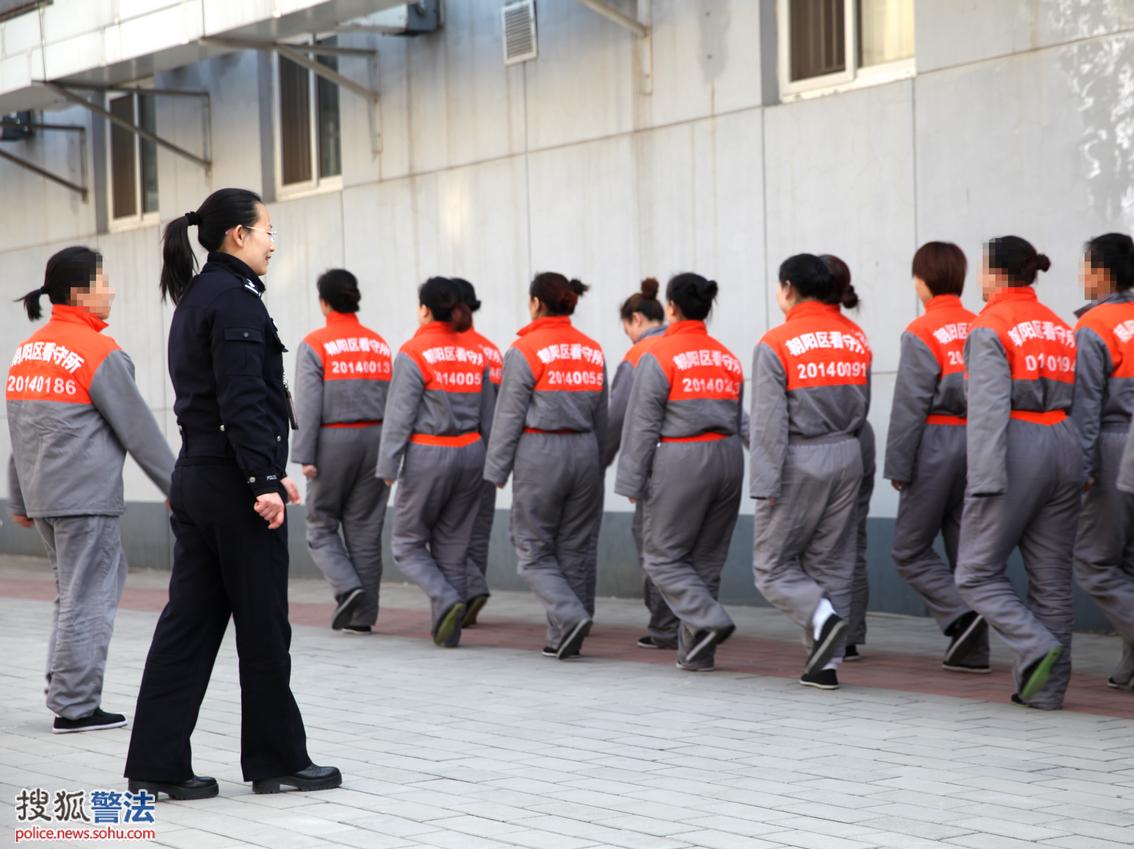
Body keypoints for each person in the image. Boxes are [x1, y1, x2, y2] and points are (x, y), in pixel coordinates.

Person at [125, 189, 340, 800]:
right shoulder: (235, 301)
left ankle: (157, 765)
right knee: (264, 628)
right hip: (231, 487)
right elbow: (243, 398)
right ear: (238, 236)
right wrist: (263, 481)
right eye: (268, 229)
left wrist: (264, 470)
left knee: (186, 628)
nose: (274, 241)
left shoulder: (198, 296)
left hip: (199, 478)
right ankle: (278, 762)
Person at [7, 247, 174, 734]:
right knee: (90, 595)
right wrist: (181, 489)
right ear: (81, 292)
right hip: (85, 498)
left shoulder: (28, 351)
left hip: (43, 497)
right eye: (104, 281)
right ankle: (76, 705)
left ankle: (64, 688)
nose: (112, 289)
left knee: (71, 592)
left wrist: (18, 498)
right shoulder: (99, 352)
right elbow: (138, 429)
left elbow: (17, 429)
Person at [955, 236, 1079, 710]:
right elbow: (1082, 400)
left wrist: (983, 480)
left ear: (995, 274)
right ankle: (1047, 692)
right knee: (1051, 579)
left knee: (974, 573)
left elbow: (987, 409)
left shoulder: (990, 325)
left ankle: (1034, 644)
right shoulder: (1057, 325)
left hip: (1014, 445)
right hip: (1064, 444)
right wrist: (1081, 464)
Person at [750, 253, 871, 690]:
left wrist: (765, 486)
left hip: (799, 459)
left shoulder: (776, 342)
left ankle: (823, 617)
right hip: (847, 453)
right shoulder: (854, 337)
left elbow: (767, 425)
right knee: (833, 561)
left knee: (770, 566)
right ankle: (826, 664)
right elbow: (863, 403)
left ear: (787, 288)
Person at [614, 273, 744, 672]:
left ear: (671, 307)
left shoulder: (659, 354)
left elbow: (642, 424)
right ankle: (696, 654)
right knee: (706, 560)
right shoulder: (726, 355)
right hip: (728, 457)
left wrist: (631, 480)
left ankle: (709, 621)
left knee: (661, 556)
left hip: (682, 458)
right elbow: (739, 415)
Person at [483, 272, 607, 660]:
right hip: (586, 450)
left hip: (541, 451)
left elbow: (509, 416)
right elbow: (603, 415)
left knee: (532, 547)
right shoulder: (592, 349)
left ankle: (569, 615)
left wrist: (496, 471)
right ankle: (565, 635)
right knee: (575, 547)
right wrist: (598, 461)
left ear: (536, 302)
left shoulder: (525, 349)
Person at [883, 241, 988, 673]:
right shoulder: (983, 325)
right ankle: (974, 651)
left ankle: (961, 616)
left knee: (909, 550)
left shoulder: (921, 331)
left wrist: (899, 466)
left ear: (922, 281)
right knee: (966, 551)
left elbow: (910, 405)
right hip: (981, 442)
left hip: (935, 443)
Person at [376, 277, 492, 649]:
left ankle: (445, 599)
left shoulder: (414, 351)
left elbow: (399, 415)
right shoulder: (476, 353)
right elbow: (490, 416)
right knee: (454, 546)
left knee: (407, 544)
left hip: (429, 453)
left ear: (425, 309)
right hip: (473, 453)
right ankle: (448, 630)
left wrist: (388, 467)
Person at [292, 269, 392, 634]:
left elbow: (308, 403)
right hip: (377, 441)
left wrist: (305, 455)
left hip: (334, 441)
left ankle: (347, 587)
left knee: (320, 525)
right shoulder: (379, 344)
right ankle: (363, 617)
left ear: (324, 302)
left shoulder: (316, 344)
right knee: (365, 531)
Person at [1071, 232, 1134, 691]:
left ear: (1100, 272)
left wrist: (1083, 468)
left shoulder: (1093, 327)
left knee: (1094, 561)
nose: (1081, 275)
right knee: (1129, 564)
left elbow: (1086, 407)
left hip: (1114, 445)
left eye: (1084, 265)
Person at [603, 277, 679, 650]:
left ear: (635, 319)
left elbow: (619, 419)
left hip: (658, 465)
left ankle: (666, 627)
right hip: (710, 457)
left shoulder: (637, 357)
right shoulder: (685, 345)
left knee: (654, 545)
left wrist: (603, 461)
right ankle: (693, 621)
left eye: (627, 329)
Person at [821, 255, 874, 662]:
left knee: (817, 547)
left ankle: (825, 625)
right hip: (858, 441)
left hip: (819, 448)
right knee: (852, 543)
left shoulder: (794, 336)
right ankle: (850, 633)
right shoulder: (855, 333)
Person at [453, 277, 502, 627]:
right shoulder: (492, 351)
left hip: (447, 449)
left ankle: (465, 591)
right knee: (478, 530)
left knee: (448, 529)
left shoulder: (439, 349)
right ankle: (473, 594)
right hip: (488, 450)